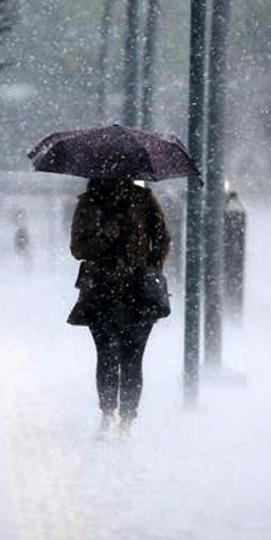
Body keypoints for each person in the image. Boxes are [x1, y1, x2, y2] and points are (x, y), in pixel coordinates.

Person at [68, 178, 170, 438]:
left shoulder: (143, 200)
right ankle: (108, 413)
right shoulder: (88, 203)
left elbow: (162, 238)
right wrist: (104, 238)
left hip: (138, 292)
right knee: (106, 355)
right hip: (101, 289)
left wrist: (149, 267)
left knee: (132, 358)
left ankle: (126, 419)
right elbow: (78, 248)